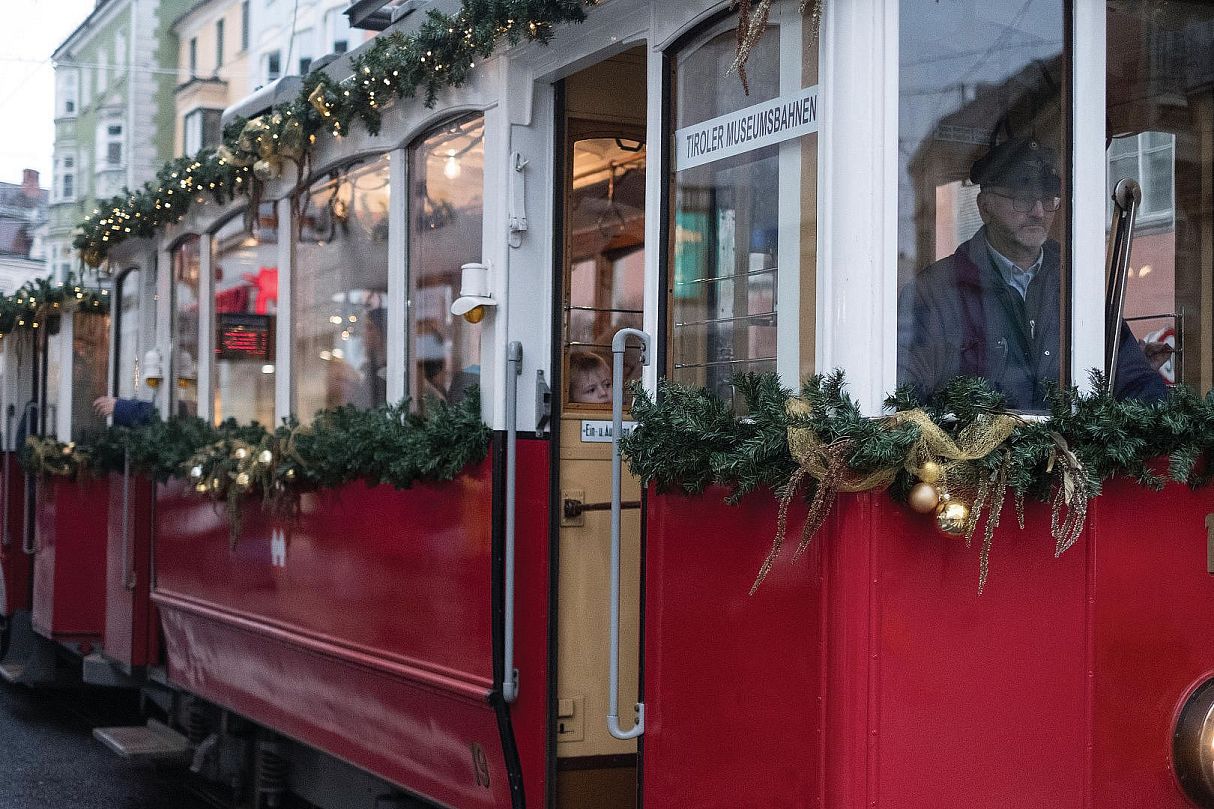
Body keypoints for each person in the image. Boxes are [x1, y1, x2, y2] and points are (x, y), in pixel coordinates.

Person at [897, 136, 1167, 410]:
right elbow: (904, 394)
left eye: (1048, 199)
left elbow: (1132, 378)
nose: (1038, 212)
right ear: (984, 207)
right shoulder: (935, 291)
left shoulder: (1076, 283)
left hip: (1071, 451)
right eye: (1022, 199)